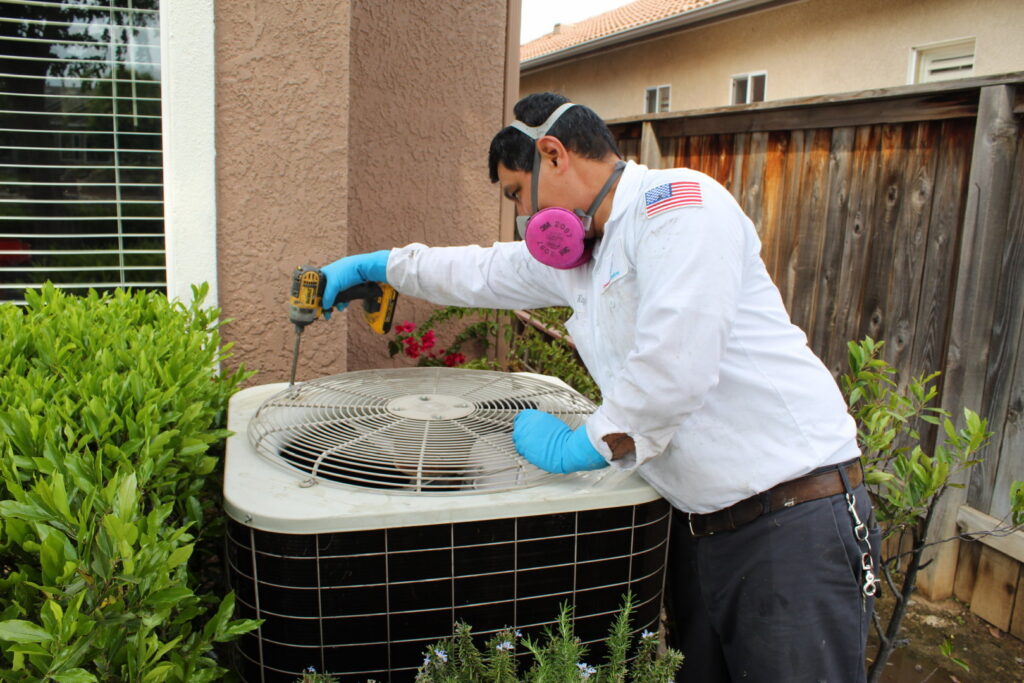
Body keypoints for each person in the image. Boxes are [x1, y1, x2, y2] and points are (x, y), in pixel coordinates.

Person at [319, 92, 880, 682]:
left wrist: (580, 446)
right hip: (703, 530)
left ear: (554, 155)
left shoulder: (679, 209)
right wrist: (379, 266)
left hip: (792, 523)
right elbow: (483, 270)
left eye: (516, 193)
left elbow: (674, 369)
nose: (521, 216)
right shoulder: (588, 251)